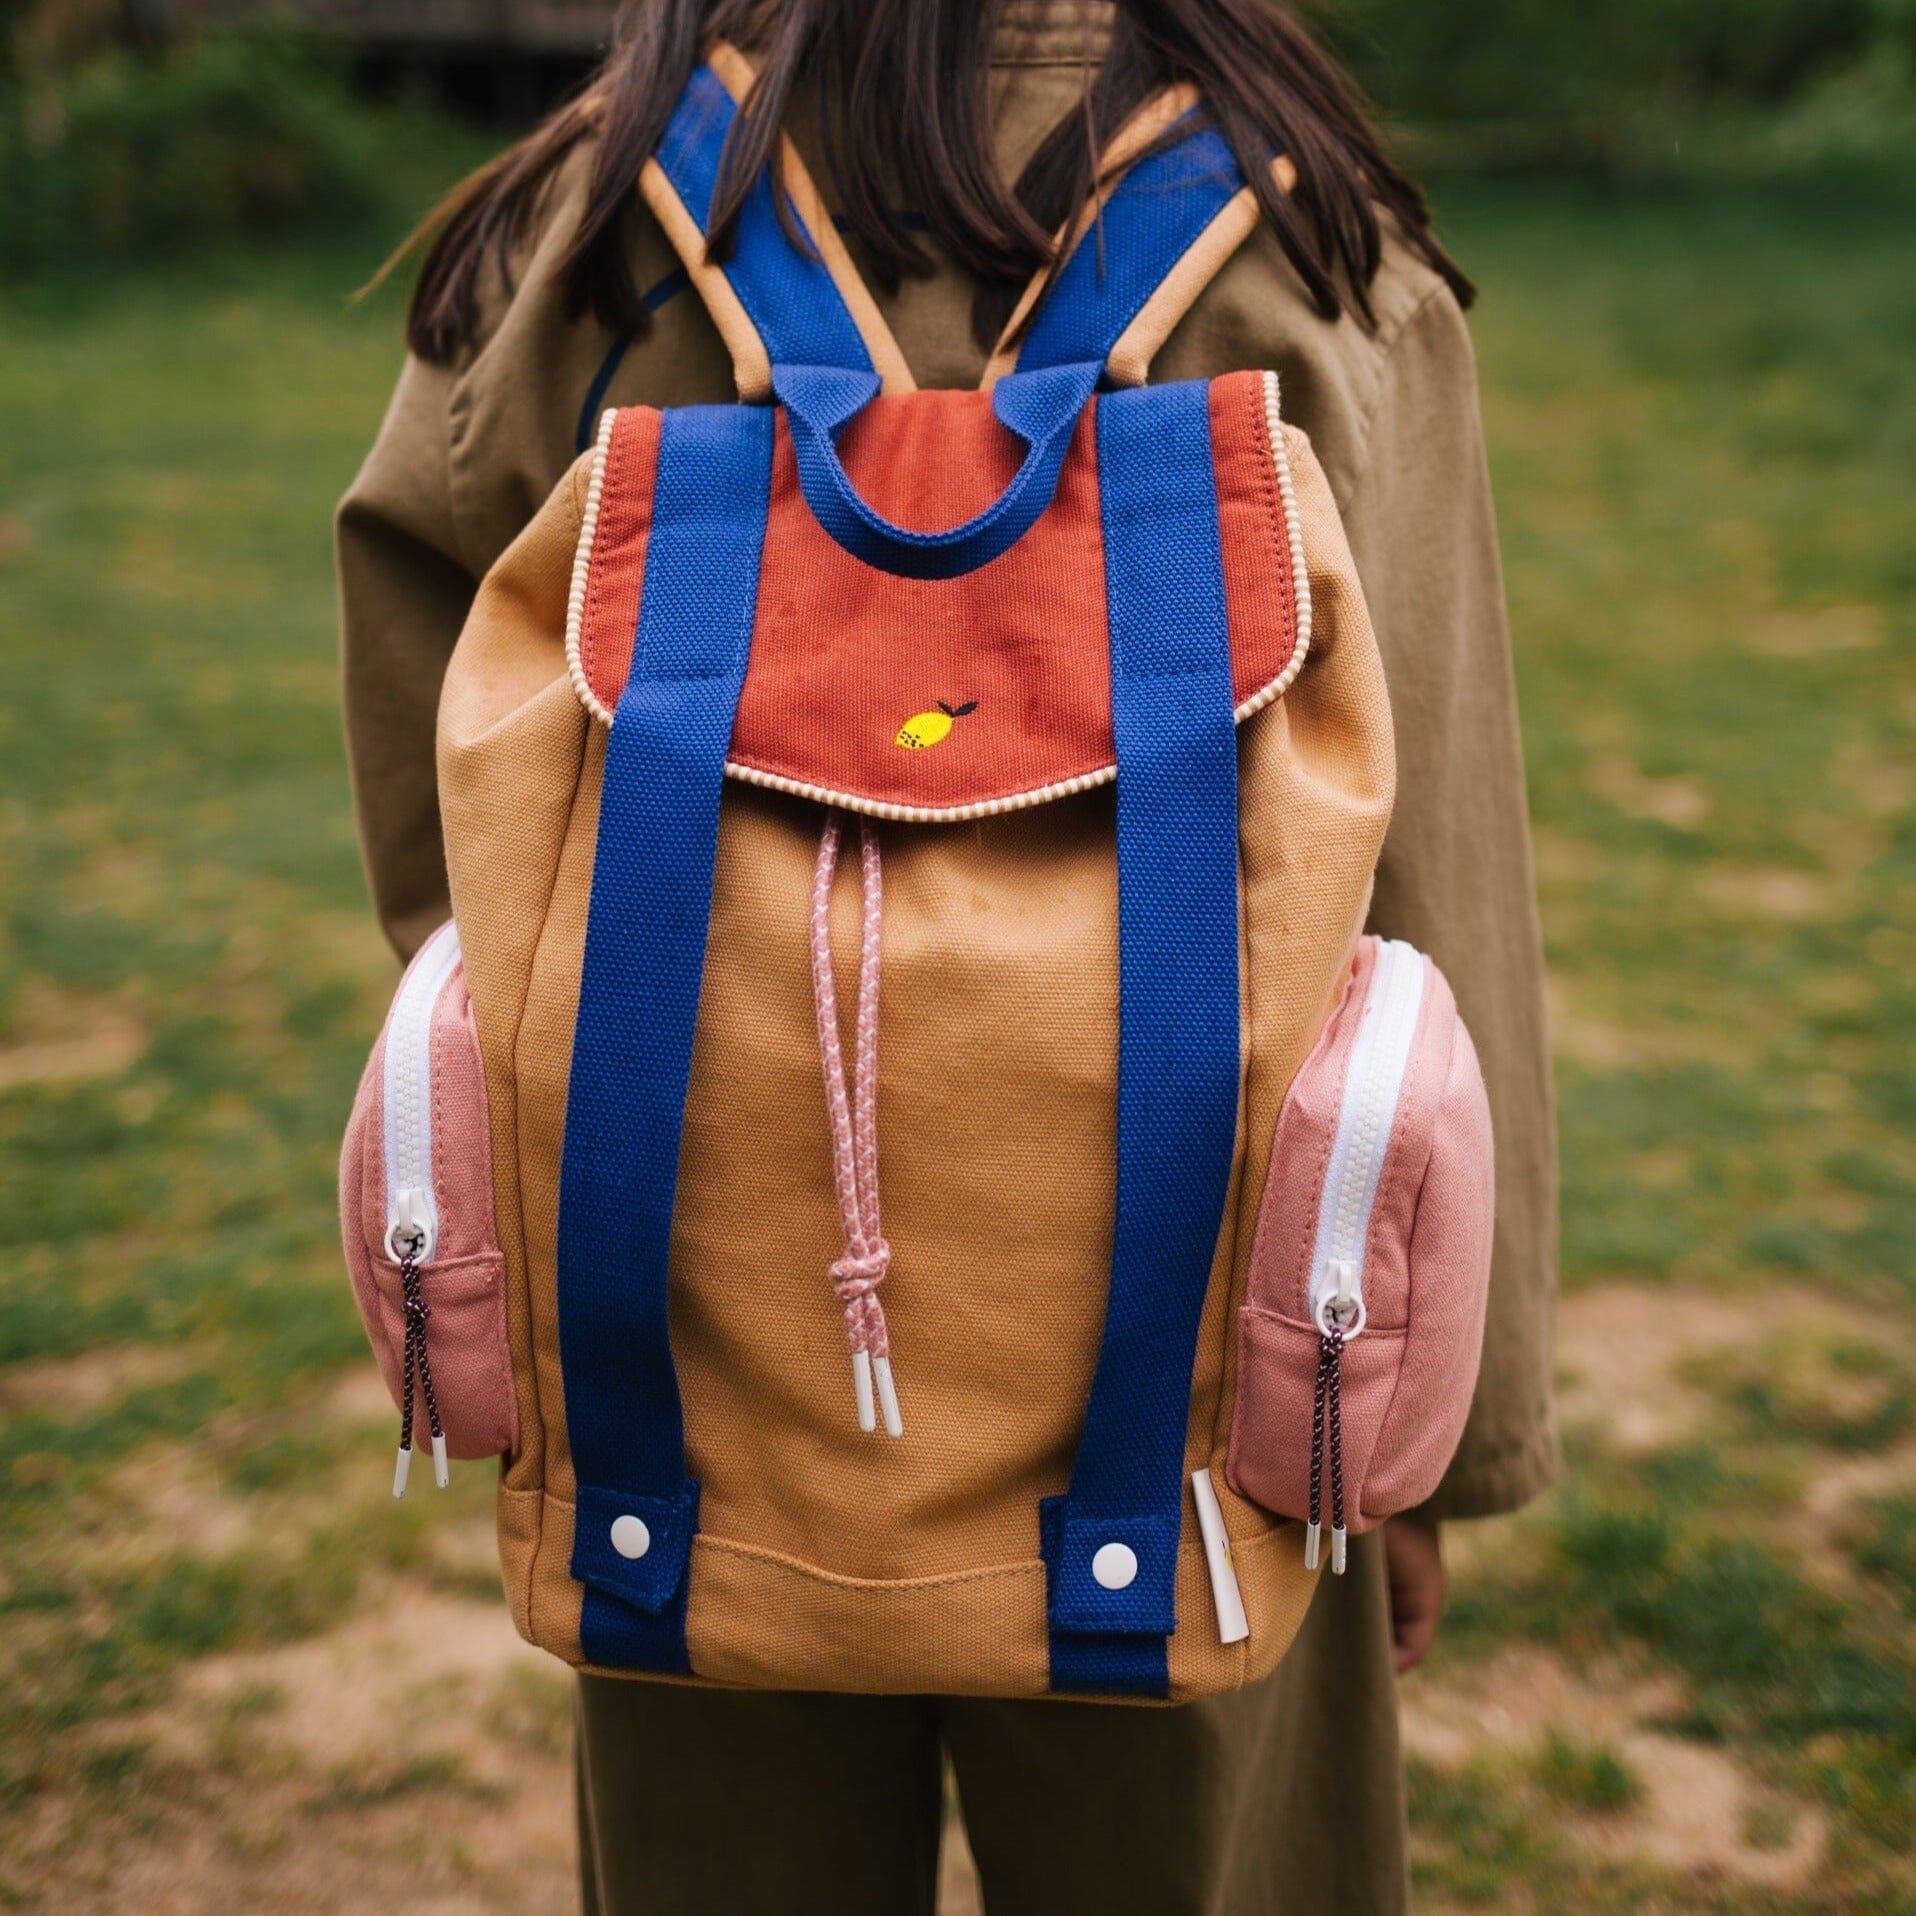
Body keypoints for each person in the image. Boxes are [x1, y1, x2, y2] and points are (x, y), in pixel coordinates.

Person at [336, 3, 1556, 1909]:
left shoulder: (585, 229)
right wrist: (1428, 1435)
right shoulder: (1318, 248)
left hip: (693, 1363)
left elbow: (450, 824)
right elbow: (1433, 871)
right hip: (1213, 1394)